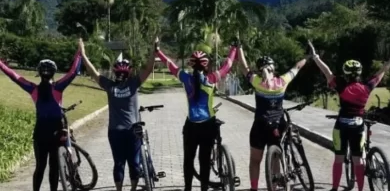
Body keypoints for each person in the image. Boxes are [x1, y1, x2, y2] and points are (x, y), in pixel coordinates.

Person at [155, 38, 238, 191]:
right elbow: (228, 65)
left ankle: (188, 188)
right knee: (204, 161)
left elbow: (170, 65)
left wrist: (158, 51)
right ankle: (204, 188)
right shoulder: (212, 79)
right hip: (208, 125)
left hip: (191, 126)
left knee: (188, 160)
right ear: (206, 66)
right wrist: (234, 49)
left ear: (191, 64)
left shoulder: (186, 79)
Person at [308, 41, 390, 191]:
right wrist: (387, 65)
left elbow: (327, 72)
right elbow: (379, 75)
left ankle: (334, 188)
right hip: (358, 127)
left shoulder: (341, 85)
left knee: (338, 159)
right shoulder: (367, 87)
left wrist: (315, 57)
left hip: (341, 127)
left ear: (345, 73)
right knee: (358, 161)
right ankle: (359, 189)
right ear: (359, 73)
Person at [78, 38, 156, 191]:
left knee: (118, 163)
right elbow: (148, 68)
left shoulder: (109, 86)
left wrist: (83, 53)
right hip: (133, 131)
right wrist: (154, 49)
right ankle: (133, 189)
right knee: (134, 162)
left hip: (115, 132)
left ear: (115, 73)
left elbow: (93, 72)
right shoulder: (134, 83)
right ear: (129, 73)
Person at [0, 48, 82, 191]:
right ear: (53, 73)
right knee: (54, 168)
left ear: (39, 73)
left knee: (40, 167)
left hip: (40, 133)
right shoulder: (58, 87)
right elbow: (73, 72)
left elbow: (15, 76)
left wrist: (1, 63)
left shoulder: (33, 89)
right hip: (56, 132)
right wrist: (79, 53)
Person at [236, 44, 308, 191]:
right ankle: (274, 186)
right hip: (277, 125)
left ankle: (254, 188)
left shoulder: (257, 81)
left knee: (255, 160)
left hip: (260, 125)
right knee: (275, 156)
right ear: (273, 69)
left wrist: (239, 48)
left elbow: (244, 67)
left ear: (259, 69)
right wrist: (308, 57)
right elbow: (297, 68)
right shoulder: (282, 81)